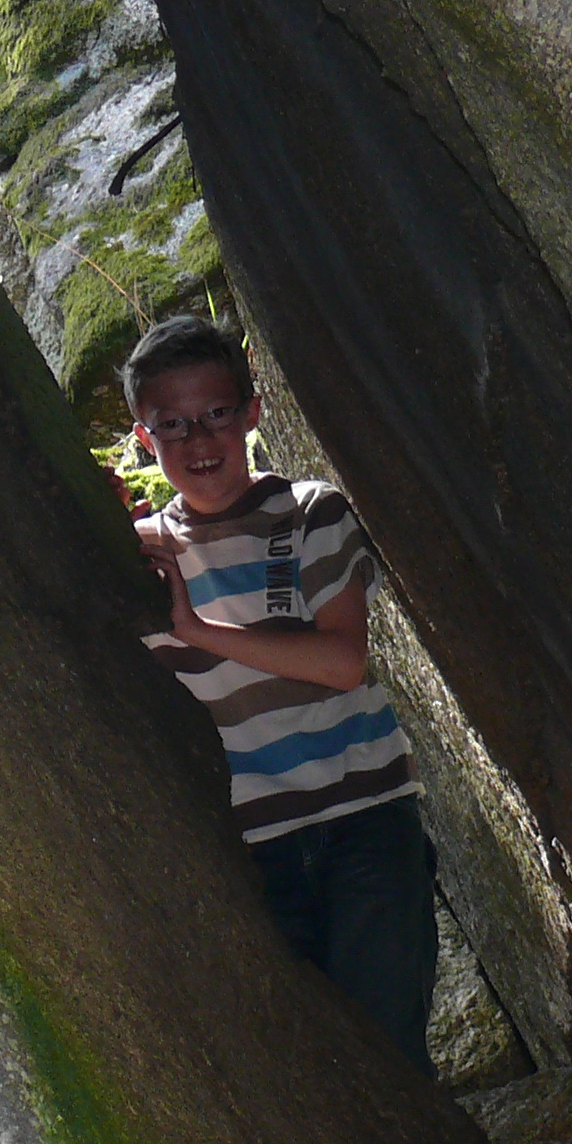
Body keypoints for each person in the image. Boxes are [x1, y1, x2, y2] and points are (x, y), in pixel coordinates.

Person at [123, 313, 437, 1065]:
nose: (199, 441)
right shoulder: (141, 553)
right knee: (305, 1065)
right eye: (173, 425)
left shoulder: (308, 513)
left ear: (252, 413)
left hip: (364, 822)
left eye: (216, 414)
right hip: (250, 850)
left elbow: (341, 662)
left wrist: (196, 630)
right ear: (144, 438)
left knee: (388, 1054)